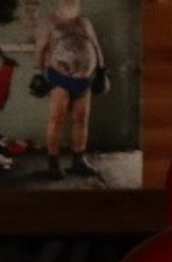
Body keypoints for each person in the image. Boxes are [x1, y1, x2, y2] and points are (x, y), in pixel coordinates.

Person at [33, 0, 105, 180]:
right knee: (56, 119)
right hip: (59, 78)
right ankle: (53, 164)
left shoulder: (85, 23)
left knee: (81, 119)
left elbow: (96, 47)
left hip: (85, 79)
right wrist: (38, 73)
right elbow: (40, 49)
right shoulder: (48, 21)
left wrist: (103, 71)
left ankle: (78, 161)